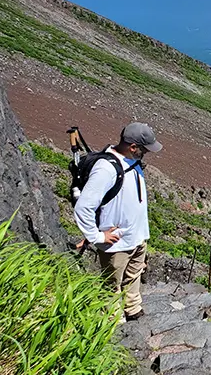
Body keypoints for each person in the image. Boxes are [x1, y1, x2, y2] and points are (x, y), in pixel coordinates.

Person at [74, 122, 162, 322]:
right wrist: (96, 237)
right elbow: (83, 207)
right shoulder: (106, 169)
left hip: (137, 238)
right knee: (111, 285)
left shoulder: (132, 161)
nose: (147, 153)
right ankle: (113, 320)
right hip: (117, 243)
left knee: (133, 276)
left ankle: (133, 309)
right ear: (133, 146)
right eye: (144, 149)